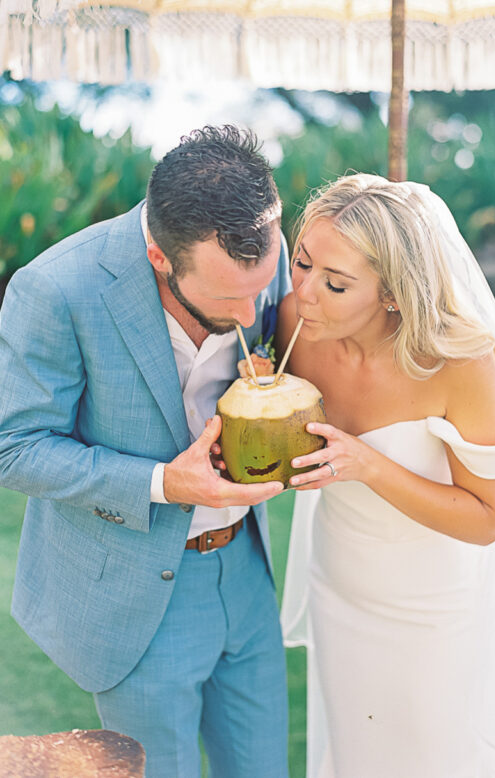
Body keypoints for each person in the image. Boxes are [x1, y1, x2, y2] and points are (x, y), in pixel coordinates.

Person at [0, 125, 292, 776]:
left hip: (247, 572)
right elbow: (14, 446)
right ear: (161, 258)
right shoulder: (54, 290)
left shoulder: (258, 250)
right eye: (228, 299)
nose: (252, 313)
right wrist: (166, 482)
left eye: (261, 287)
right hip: (138, 594)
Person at [273, 174, 495, 777]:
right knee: (357, 752)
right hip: (340, 583)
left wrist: (367, 465)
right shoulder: (293, 326)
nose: (305, 293)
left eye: (336, 283)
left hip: (433, 607)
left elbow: (486, 520)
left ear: (394, 294)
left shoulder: (461, 362)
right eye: (301, 263)